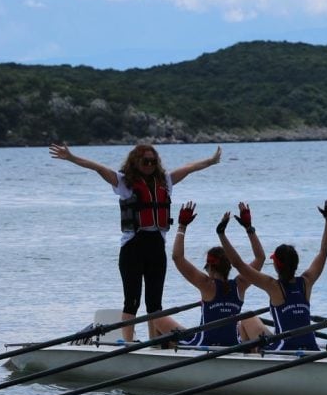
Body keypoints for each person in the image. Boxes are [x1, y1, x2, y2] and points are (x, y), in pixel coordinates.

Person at [49, 142, 222, 342]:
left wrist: (211, 161)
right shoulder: (124, 183)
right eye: (145, 161)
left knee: (155, 304)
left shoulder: (165, 181)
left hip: (156, 247)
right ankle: (128, 343)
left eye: (152, 161)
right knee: (132, 301)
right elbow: (98, 167)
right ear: (136, 162)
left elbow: (189, 168)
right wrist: (71, 157)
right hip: (133, 248)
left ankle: (154, 342)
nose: (149, 165)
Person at [217, 200, 327, 351]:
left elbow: (238, 264)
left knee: (246, 318)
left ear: (276, 265)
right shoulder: (307, 282)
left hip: (284, 349)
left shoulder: (273, 286)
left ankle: (248, 360)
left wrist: (223, 233)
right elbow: (323, 253)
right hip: (312, 348)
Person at [160, 201, 267, 347]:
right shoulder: (240, 284)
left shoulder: (206, 284)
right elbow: (260, 257)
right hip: (232, 345)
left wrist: (182, 226)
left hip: (203, 344)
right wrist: (249, 228)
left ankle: (157, 356)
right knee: (243, 323)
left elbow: (177, 257)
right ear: (229, 266)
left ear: (209, 267)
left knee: (156, 318)